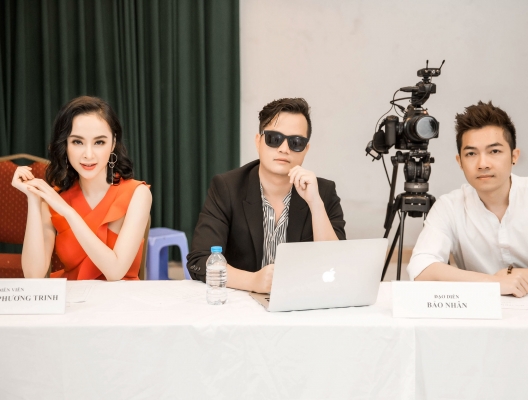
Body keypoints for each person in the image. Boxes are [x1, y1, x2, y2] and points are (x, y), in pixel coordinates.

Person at [407, 101, 528, 297]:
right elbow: (420, 268)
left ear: (514, 156)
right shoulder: (448, 206)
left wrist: (514, 275)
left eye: (494, 151)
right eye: (471, 153)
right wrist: (492, 283)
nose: (483, 164)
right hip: (480, 309)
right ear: (460, 162)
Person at [187, 98, 346, 293]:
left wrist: (315, 204)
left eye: (296, 142)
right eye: (274, 138)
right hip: (241, 301)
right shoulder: (227, 188)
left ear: (306, 149)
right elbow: (200, 260)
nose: (284, 149)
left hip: (303, 300)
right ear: (258, 141)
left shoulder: (323, 192)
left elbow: (336, 265)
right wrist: (252, 281)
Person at [12, 96, 152, 280]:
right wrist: (33, 199)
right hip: (72, 296)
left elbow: (115, 272)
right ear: (65, 145)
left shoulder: (137, 194)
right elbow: (33, 276)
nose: (88, 154)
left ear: (113, 143)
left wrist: (68, 212)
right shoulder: (54, 199)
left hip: (121, 296)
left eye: (99, 142)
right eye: (77, 142)